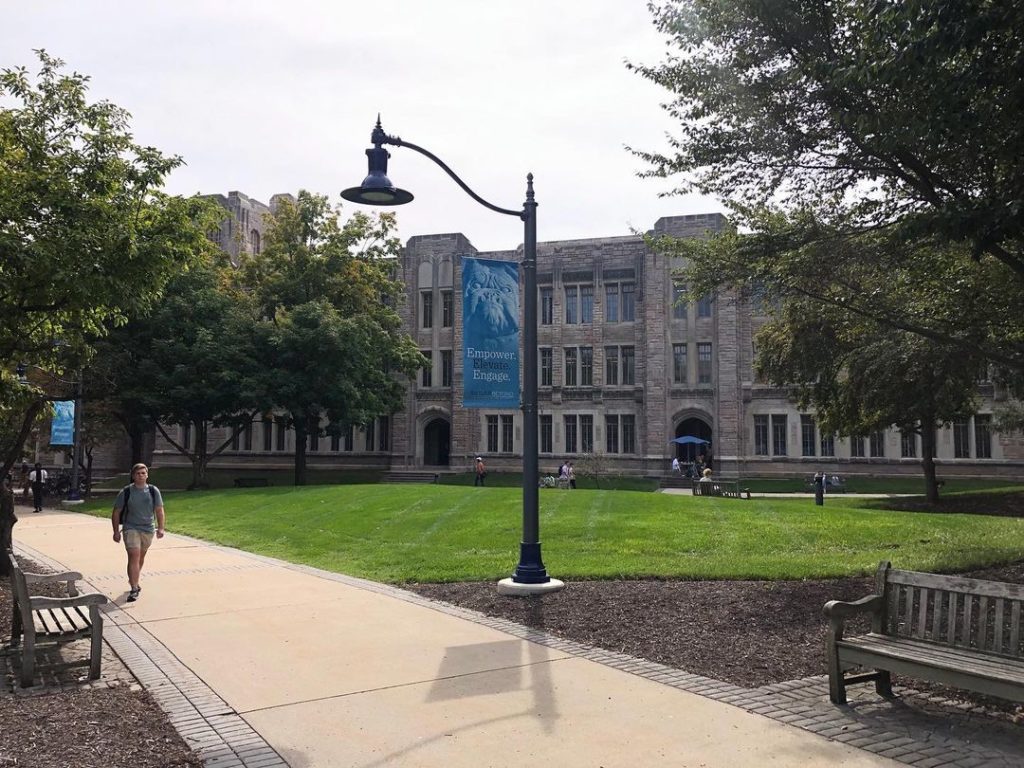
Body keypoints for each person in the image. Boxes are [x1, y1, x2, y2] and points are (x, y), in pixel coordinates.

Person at [112, 463, 165, 602]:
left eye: (143, 473)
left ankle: (134, 579)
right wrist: (116, 531)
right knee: (134, 556)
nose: (141, 476)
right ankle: (134, 588)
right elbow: (116, 512)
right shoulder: (126, 491)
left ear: (147, 475)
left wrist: (161, 528)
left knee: (141, 557)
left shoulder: (154, 491)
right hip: (131, 528)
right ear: (133, 475)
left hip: (148, 528)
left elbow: (159, 510)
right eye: (138, 473)